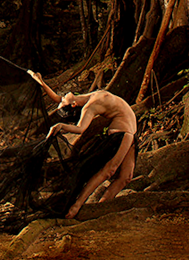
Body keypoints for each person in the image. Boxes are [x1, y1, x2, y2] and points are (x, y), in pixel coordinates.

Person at [28, 71, 137, 219]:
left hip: (131, 134)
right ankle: (77, 205)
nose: (62, 98)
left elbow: (57, 98)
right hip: (122, 133)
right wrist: (61, 125)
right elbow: (80, 129)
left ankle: (102, 205)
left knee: (126, 177)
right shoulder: (89, 107)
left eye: (62, 101)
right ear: (73, 104)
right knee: (109, 171)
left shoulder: (88, 97)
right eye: (63, 102)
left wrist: (41, 82)